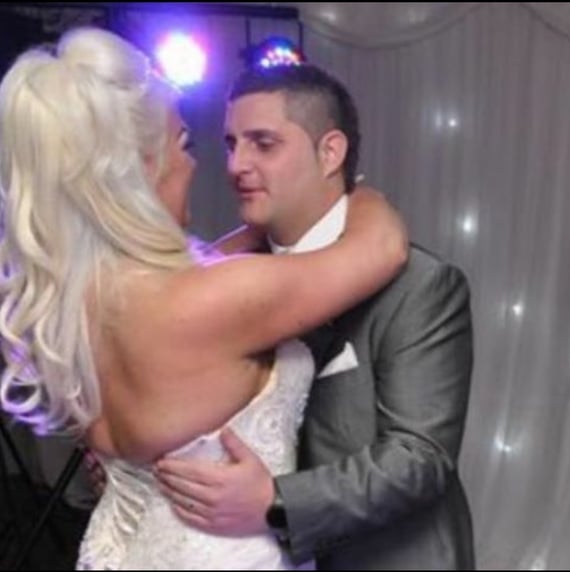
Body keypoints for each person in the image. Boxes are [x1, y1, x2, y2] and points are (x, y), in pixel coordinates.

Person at [0, 28, 408, 570]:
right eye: (185, 142)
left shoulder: (70, 304)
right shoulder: (212, 299)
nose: (214, 165)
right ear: (140, 168)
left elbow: (195, 268)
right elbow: (381, 247)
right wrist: (352, 187)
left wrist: (264, 225)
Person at [154, 63, 476, 569]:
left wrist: (276, 502)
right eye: (232, 144)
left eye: (263, 144)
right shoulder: (228, 280)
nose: (236, 165)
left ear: (330, 153)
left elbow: (419, 457)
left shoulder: (420, 284)